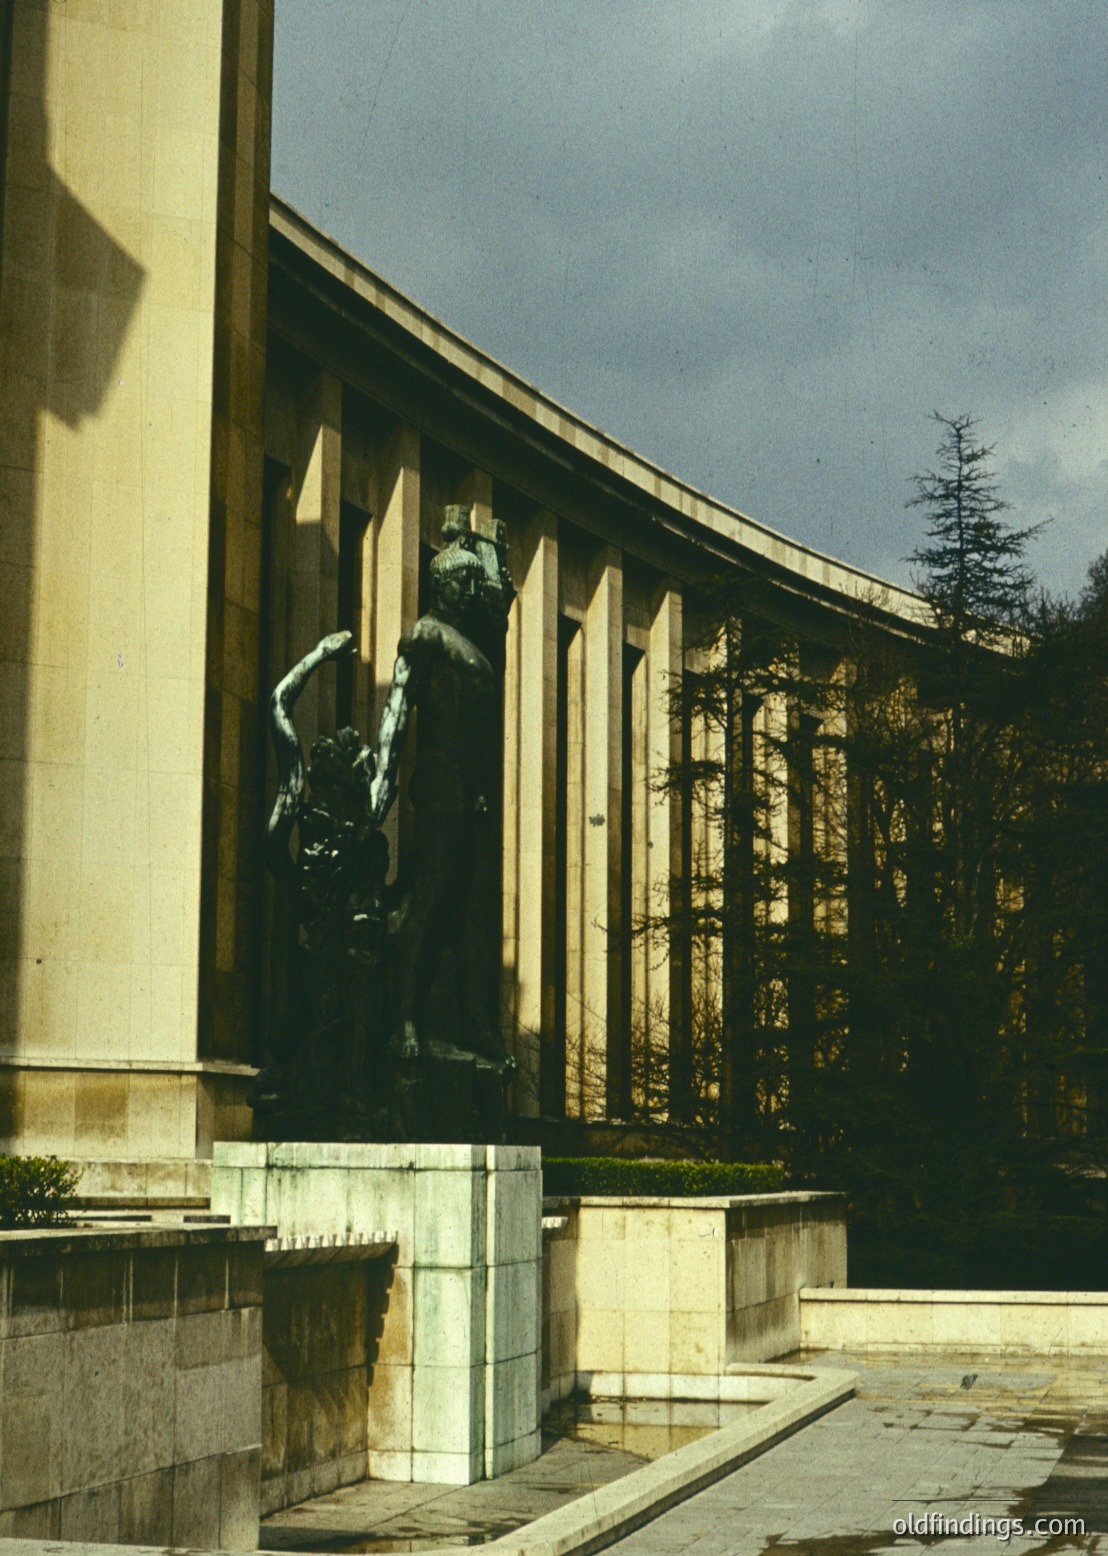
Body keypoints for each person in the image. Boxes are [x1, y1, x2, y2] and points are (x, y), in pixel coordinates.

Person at [370, 509, 513, 1076]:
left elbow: (498, 611)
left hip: (475, 793)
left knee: (473, 909)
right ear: (444, 583)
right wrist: (383, 774)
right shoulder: (426, 634)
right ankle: (404, 1015)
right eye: (467, 581)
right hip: (440, 782)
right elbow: (399, 706)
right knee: (429, 895)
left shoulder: (473, 643)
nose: (474, 589)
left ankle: (477, 1024)